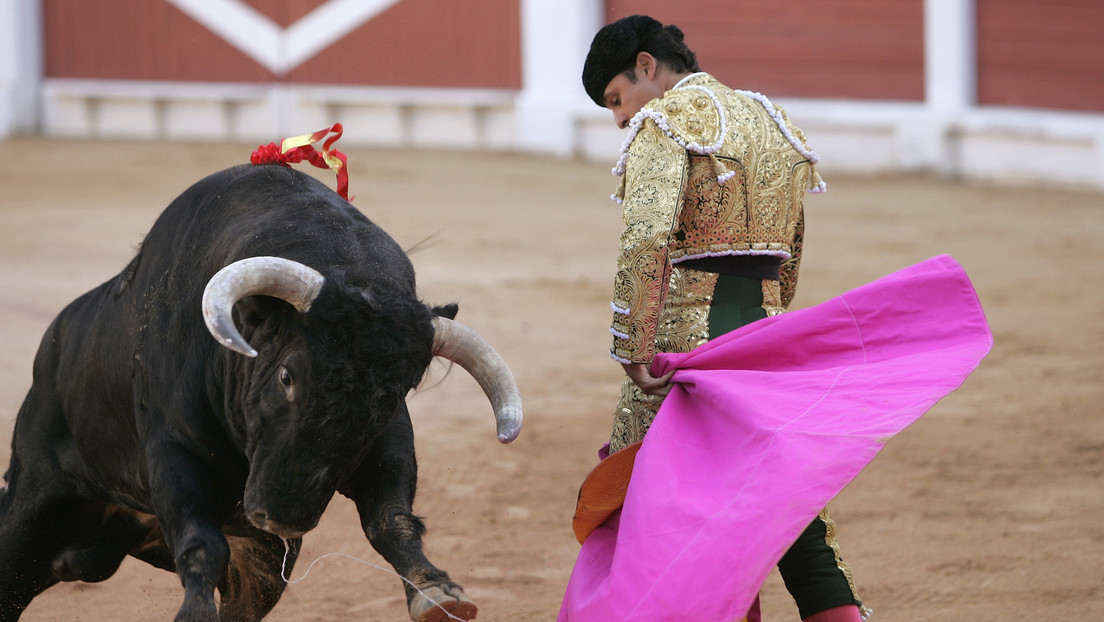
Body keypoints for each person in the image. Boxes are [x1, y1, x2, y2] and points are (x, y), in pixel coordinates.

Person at [578, 15, 869, 622]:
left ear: (647, 66)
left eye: (616, 98)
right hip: (765, 340)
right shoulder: (774, 121)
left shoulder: (666, 121)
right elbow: (789, 252)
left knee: (657, 504)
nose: (620, 119)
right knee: (786, 503)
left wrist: (633, 346)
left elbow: (647, 237)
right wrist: (771, 330)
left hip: (688, 350)